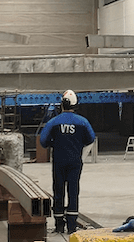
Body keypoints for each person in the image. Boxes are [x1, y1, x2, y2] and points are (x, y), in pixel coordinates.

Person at [39, 90, 95, 234]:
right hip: (75, 163)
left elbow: (43, 141)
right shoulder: (83, 122)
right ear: (75, 106)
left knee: (58, 192)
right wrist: (79, 151)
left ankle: (59, 225)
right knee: (73, 192)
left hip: (58, 162)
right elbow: (91, 139)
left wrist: (54, 143)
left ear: (61, 105)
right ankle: (71, 226)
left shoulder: (54, 122)